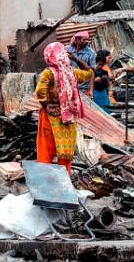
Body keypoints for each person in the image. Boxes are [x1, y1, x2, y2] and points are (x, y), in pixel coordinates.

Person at [34, 42, 92, 173]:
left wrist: (46, 105)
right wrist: (75, 58)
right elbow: (89, 72)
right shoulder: (71, 72)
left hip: (50, 115)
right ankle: (65, 176)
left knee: (46, 147)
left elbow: (39, 92)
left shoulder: (48, 73)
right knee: (65, 148)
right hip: (69, 115)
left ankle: (44, 176)